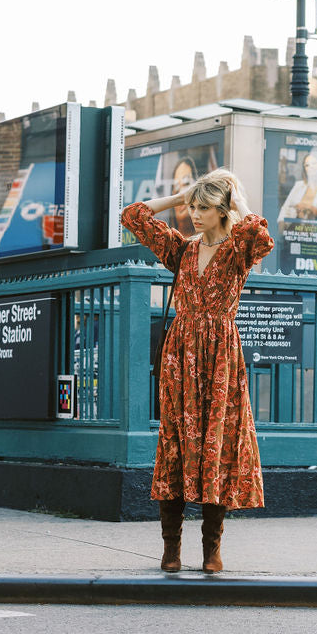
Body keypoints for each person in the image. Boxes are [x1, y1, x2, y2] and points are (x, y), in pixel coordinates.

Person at [120, 169, 274, 574]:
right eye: (194, 206)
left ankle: (211, 550)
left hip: (221, 358)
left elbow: (261, 234)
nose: (195, 214)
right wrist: (179, 196)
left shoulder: (239, 249)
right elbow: (133, 215)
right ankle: (171, 549)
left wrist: (236, 198)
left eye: (204, 208)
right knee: (174, 446)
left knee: (217, 448)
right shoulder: (182, 249)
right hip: (181, 357)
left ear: (223, 211)